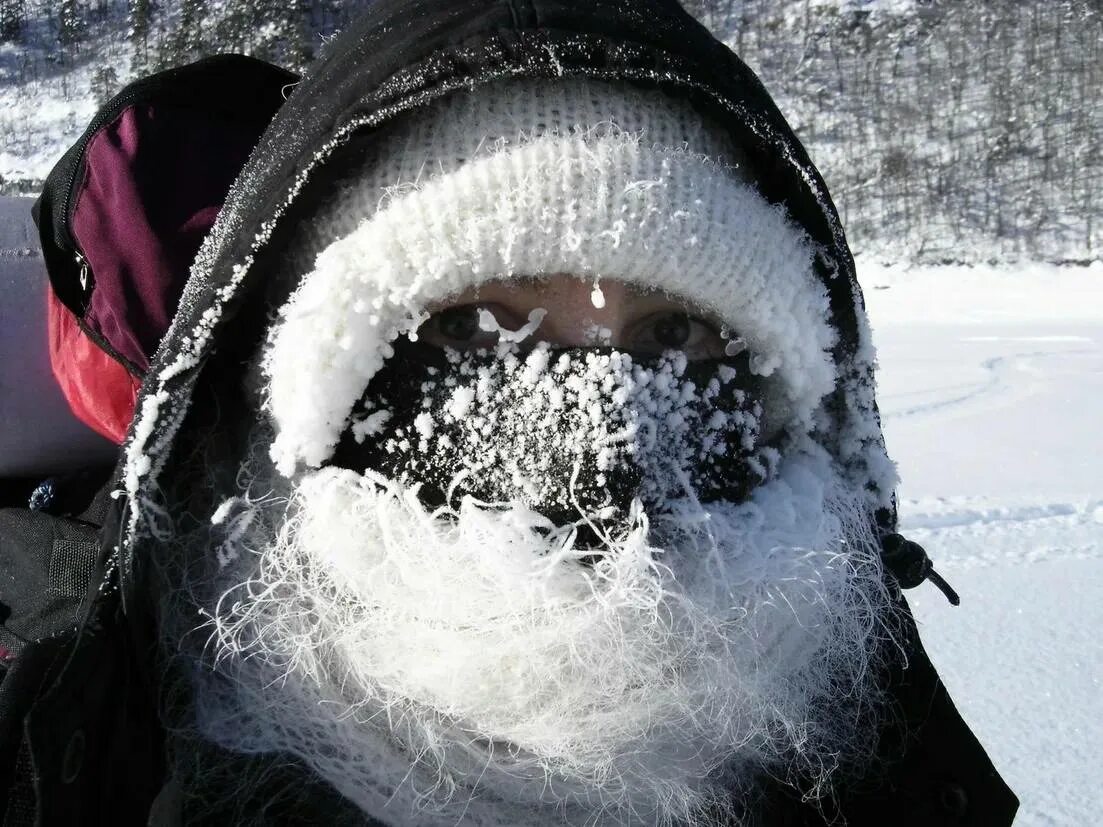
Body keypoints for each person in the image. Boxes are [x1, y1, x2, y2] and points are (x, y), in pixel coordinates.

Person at [0, 0, 1019, 824]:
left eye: (674, 337)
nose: (601, 417)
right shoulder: (84, 756)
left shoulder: (867, 765)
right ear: (314, 392)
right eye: (479, 324)